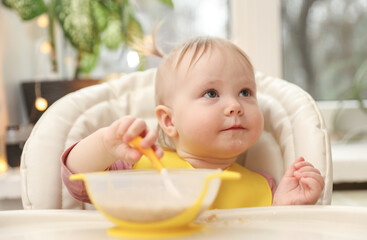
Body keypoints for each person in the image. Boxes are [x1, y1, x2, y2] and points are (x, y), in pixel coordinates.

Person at [61, 36, 324, 207]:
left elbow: (276, 232)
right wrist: (105, 146)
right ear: (169, 120)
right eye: (211, 93)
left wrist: (287, 207)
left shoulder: (264, 187)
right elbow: (76, 180)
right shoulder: (137, 168)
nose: (235, 106)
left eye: (245, 92)